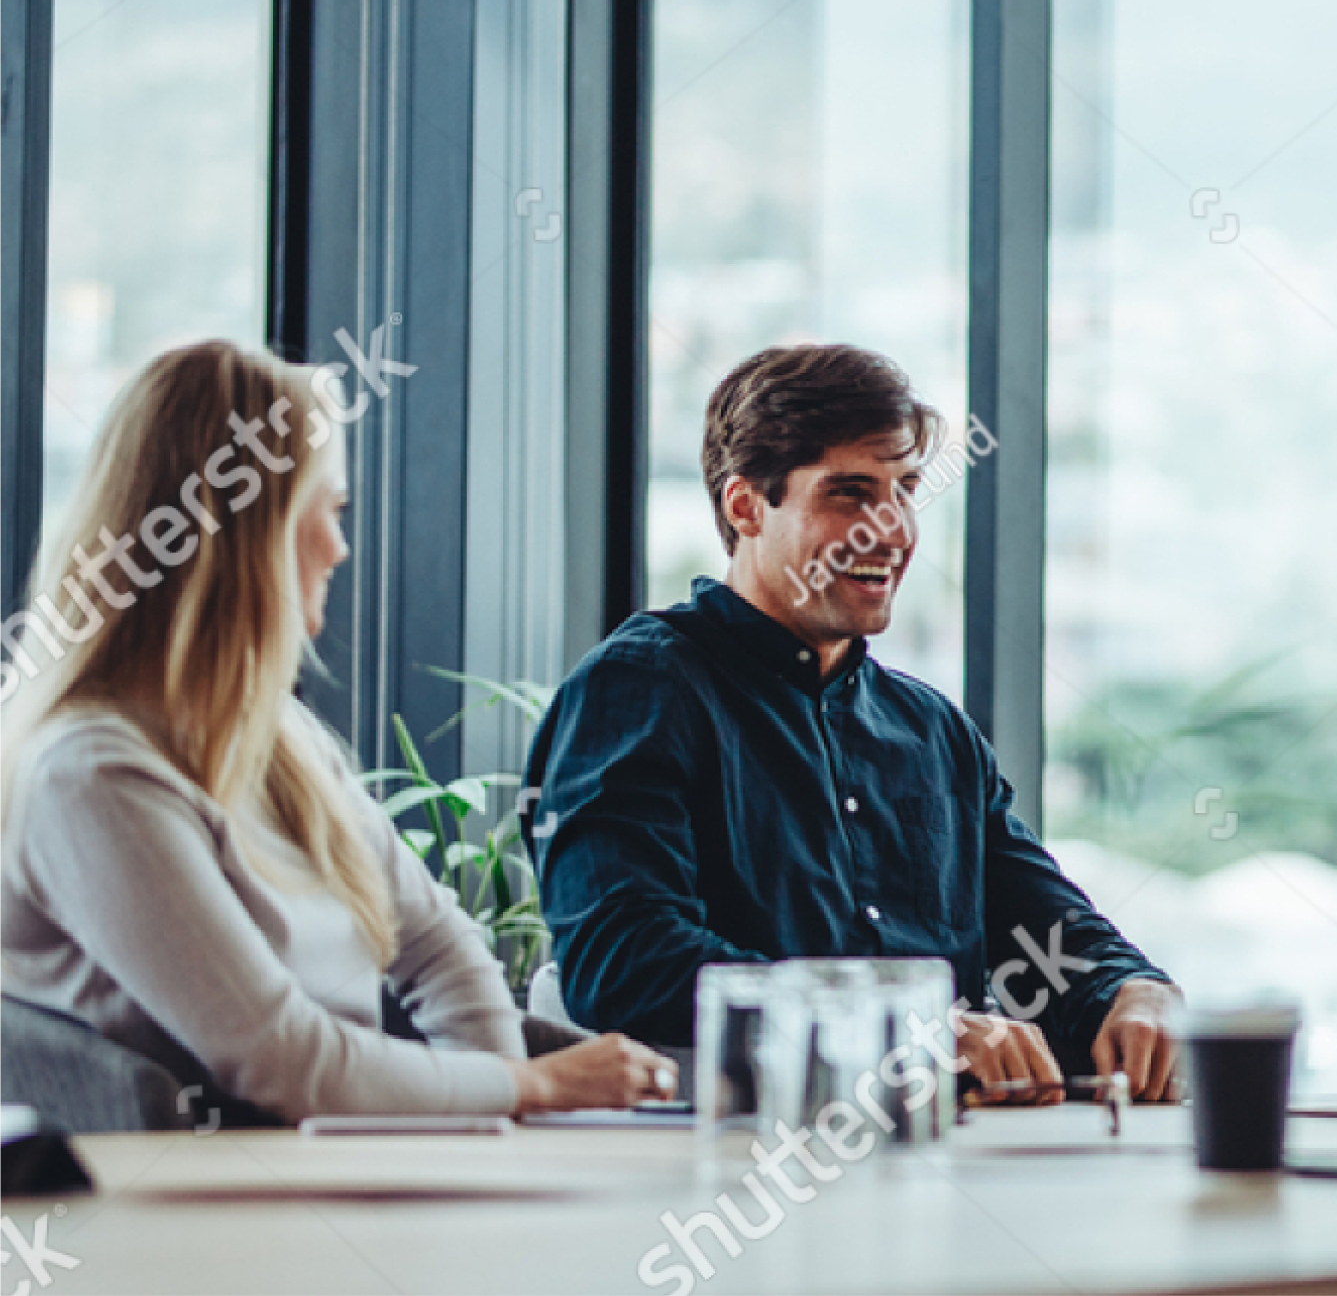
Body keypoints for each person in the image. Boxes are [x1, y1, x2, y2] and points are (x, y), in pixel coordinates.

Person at [0, 341, 674, 1120]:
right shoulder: (91, 776)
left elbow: (436, 945)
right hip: (198, 1210)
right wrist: (531, 1085)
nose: (341, 546)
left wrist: (492, 1110)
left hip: (325, 1172)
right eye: (331, 510)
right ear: (248, 534)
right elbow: (278, 1059)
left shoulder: (277, 737)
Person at [529, 344, 1183, 1101]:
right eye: (848, 493)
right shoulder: (640, 690)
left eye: (904, 489)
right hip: (724, 1165)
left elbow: (1046, 937)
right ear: (746, 506)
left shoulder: (932, 732)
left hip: (946, 1158)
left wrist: (1131, 990)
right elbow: (624, 962)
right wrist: (898, 1024)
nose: (892, 529)